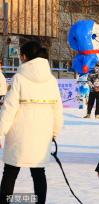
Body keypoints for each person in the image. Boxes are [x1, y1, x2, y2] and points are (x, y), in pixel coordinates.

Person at [0, 41, 63, 204]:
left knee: (10, 172)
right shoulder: (51, 80)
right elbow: (58, 109)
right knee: (38, 173)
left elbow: (9, 108)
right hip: (42, 135)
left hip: (19, 136)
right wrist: (55, 132)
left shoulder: (19, 78)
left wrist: (0, 131)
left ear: (25, 57)